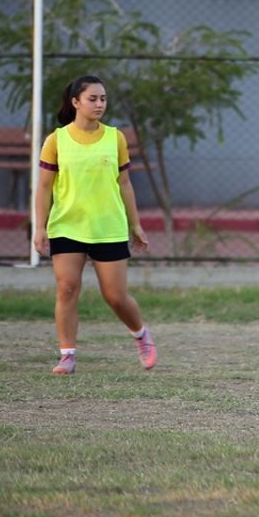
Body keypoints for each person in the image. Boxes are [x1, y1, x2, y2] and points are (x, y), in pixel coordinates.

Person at [32, 75, 155, 375]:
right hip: (67, 226)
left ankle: (141, 335)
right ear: (75, 102)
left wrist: (135, 224)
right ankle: (67, 355)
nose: (100, 104)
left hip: (107, 227)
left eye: (103, 99)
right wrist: (40, 227)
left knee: (115, 296)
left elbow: (124, 183)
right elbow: (45, 187)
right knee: (67, 288)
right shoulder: (55, 140)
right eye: (93, 99)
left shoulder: (116, 138)